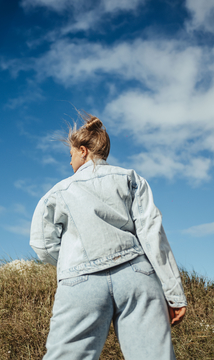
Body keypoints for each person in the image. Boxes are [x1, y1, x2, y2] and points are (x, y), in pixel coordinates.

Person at [30, 113, 187, 360]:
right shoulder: (131, 178)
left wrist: (72, 262)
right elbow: (152, 234)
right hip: (137, 276)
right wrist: (174, 294)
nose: (69, 163)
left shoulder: (57, 192)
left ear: (82, 151)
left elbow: (42, 243)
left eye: (70, 155)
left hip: (80, 282)